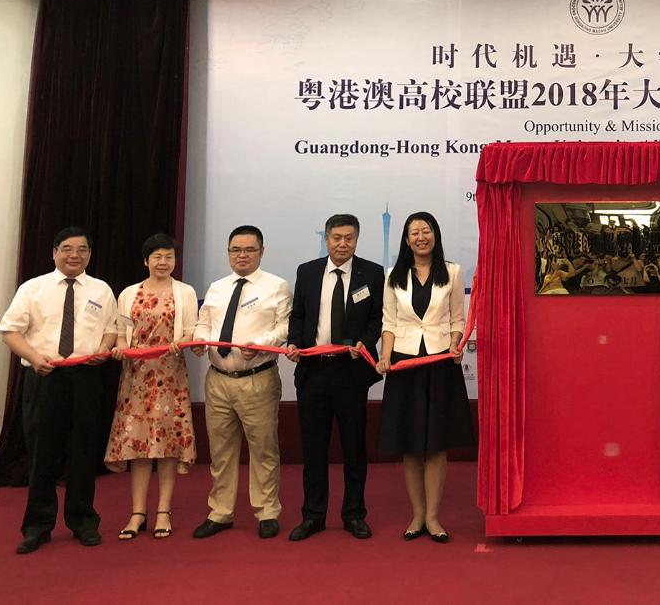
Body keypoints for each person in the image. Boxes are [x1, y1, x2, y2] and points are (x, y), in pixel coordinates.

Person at [0, 227, 118, 554]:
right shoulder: (32, 288)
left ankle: (83, 520)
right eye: (67, 248)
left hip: (86, 378)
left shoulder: (102, 290)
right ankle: (38, 525)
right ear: (54, 253)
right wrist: (34, 357)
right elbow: (10, 332)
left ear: (89, 254)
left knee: (84, 452)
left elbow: (111, 329)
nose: (74, 255)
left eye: (82, 249)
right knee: (42, 453)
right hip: (44, 376)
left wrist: (104, 349)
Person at [376, 212, 475, 543]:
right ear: (406, 240)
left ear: (435, 235)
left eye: (426, 230)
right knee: (409, 445)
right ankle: (417, 514)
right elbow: (389, 322)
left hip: (439, 362)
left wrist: (455, 344)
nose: (421, 237)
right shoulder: (393, 276)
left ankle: (433, 516)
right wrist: (385, 357)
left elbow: (457, 319)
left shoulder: (452, 272)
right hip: (404, 363)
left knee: (435, 444)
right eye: (414, 232)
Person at [285, 215, 384, 541]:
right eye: (336, 238)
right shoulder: (307, 272)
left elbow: (376, 319)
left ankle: (354, 514)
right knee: (314, 449)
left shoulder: (372, 273)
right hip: (313, 372)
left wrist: (365, 343)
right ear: (326, 239)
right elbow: (298, 315)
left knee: (354, 447)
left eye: (349, 238)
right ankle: (313, 516)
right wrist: (294, 343)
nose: (343, 244)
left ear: (357, 239)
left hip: (350, 373)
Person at [190, 225, 292, 540]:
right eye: (236, 250)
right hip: (218, 380)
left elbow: (284, 327)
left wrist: (261, 344)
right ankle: (220, 512)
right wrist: (199, 339)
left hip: (257, 379)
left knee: (263, 448)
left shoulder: (276, 286)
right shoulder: (217, 287)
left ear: (262, 252)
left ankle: (267, 511)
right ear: (228, 252)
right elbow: (204, 323)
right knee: (220, 450)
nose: (242, 255)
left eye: (249, 250)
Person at [105, 234, 198, 540]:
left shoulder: (185, 292)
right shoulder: (128, 293)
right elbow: (122, 333)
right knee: (139, 446)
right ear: (146, 260)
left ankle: (163, 512)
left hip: (170, 376)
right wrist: (121, 348)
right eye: (157, 256)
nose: (163, 262)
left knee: (168, 447)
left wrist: (180, 343)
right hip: (137, 377)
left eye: (169, 256)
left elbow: (190, 333)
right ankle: (137, 513)